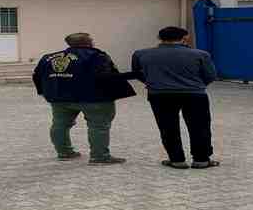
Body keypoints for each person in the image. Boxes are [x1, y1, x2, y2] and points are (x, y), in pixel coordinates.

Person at [33, 33, 135, 165]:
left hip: (59, 99)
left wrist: (43, 92)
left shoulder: (48, 58)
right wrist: (134, 75)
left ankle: (64, 152)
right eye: (91, 40)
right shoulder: (96, 56)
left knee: (60, 125)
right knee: (99, 127)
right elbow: (106, 77)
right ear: (87, 42)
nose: (93, 42)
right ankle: (99, 157)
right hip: (93, 99)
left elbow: (37, 75)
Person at [131, 26, 220, 169]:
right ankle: (201, 159)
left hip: (159, 95)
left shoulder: (141, 54)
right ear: (184, 38)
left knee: (167, 127)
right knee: (200, 126)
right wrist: (196, 85)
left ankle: (177, 160)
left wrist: (153, 83)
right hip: (194, 95)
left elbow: (138, 73)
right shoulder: (201, 54)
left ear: (159, 38)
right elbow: (210, 76)